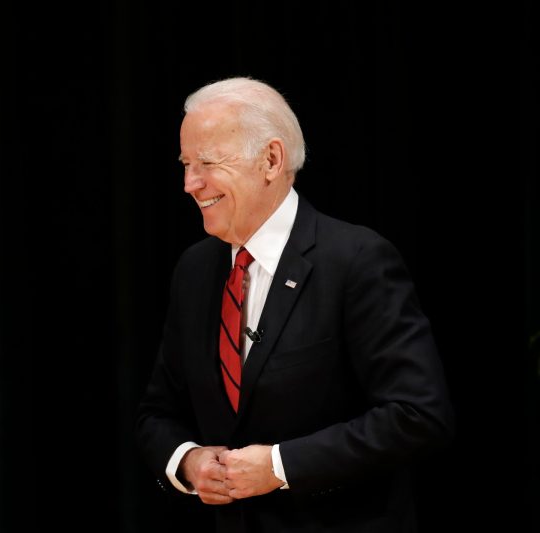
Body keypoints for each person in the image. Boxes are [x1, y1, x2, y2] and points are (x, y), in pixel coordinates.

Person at [135, 77, 454, 533]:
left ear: (271, 160)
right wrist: (187, 462)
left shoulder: (356, 260)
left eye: (207, 162)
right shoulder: (194, 270)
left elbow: (418, 415)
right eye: (186, 164)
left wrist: (280, 466)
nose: (190, 183)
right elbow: (157, 412)